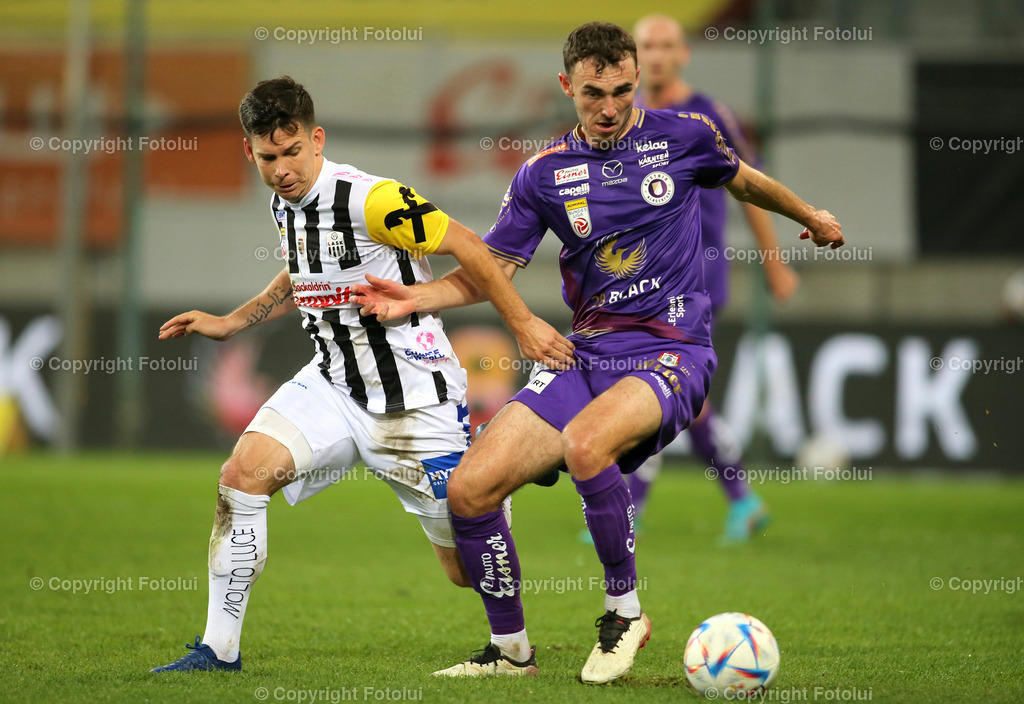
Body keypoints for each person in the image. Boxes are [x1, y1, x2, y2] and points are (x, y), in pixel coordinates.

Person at [353, 22, 843, 684]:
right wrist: (420, 299)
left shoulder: (686, 135)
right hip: (587, 354)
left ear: (636, 78)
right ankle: (510, 651)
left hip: (673, 349)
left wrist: (808, 214)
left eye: (619, 90)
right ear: (567, 87)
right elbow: (491, 268)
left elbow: (747, 183)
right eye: (592, 94)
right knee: (469, 490)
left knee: (587, 445)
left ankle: (624, 614)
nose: (608, 107)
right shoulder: (544, 175)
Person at [150, 76, 570, 673]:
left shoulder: (372, 200)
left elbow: (472, 247)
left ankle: (512, 633)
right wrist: (234, 322)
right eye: (268, 158)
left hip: (415, 402)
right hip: (332, 386)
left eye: (293, 152)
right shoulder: (283, 202)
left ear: (316, 139)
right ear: (251, 152)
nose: (282, 169)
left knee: (462, 569)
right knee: (241, 478)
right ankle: (219, 650)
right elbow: (303, 272)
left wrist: (525, 325)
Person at [594, 14, 802, 545]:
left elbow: (751, 187)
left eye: (667, 46)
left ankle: (694, 501)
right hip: (642, 278)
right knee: (653, 384)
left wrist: (773, 262)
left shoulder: (707, 114)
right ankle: (731, 499)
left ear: (683, 54)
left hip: (697, 273)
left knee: (663, 382)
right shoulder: (618, 117)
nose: (658, 55)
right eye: (648, 47)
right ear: (633, 61)